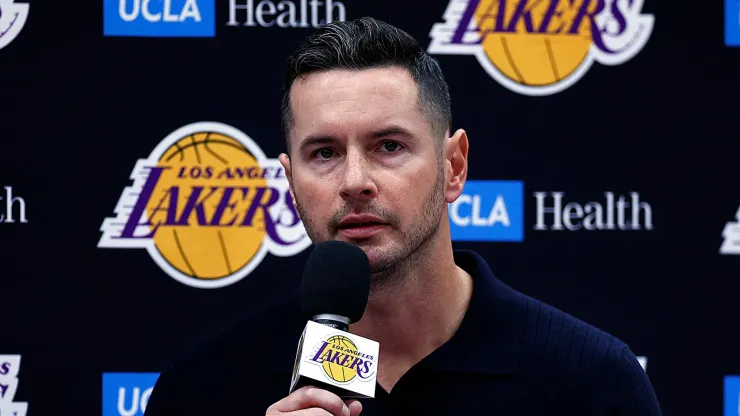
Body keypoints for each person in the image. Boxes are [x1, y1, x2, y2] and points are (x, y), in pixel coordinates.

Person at [144, 17, 662, 416]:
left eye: (388, 145)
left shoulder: (591, 382)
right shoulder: (202, 389)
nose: (353, 180)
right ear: (290, 180)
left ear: (454, 166)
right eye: (322, 153)